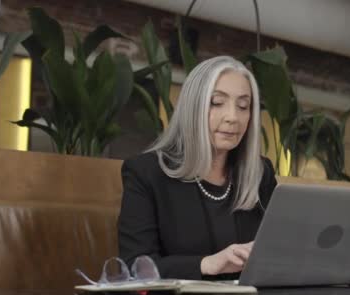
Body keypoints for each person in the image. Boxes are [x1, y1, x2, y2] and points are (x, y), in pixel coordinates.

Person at [118, 56, 277, 280]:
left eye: (243, 106)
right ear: (193, 108)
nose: (233, 117)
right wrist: (207, 264)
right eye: (217, 102)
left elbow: (279, 254)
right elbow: (135, 267)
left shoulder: (261, 173)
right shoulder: (146, 173)